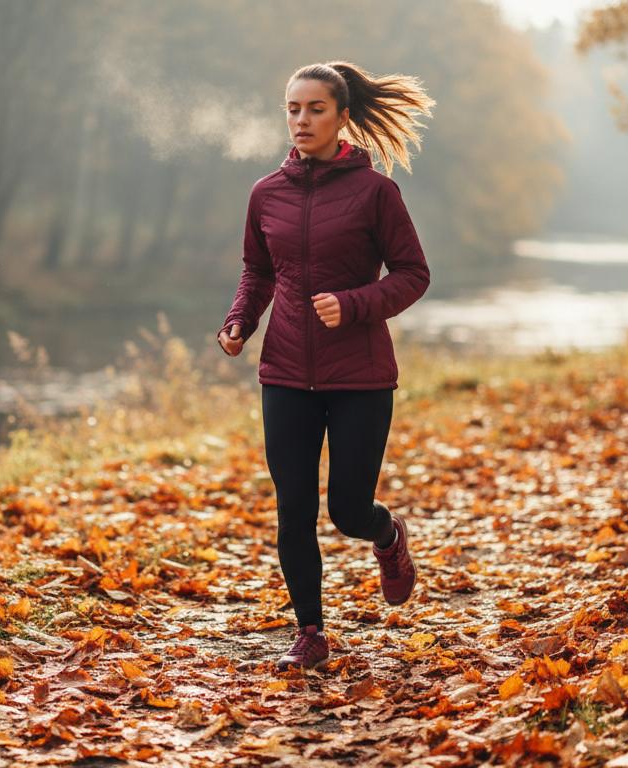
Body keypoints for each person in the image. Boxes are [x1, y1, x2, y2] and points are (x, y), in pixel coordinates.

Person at [217, 61, 433, 672]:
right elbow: (258, 271)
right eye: (293, 108)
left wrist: (354, 304)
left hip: (360, 375)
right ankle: (310, 631)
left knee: (347, 511)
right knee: (293, 509)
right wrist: (240, 321)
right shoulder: (266, 193)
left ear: (342, 116)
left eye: (315, 109)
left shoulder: (377, 193)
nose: (302, 119)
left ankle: (387, 536)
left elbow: (413, 274)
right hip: (285, 372)